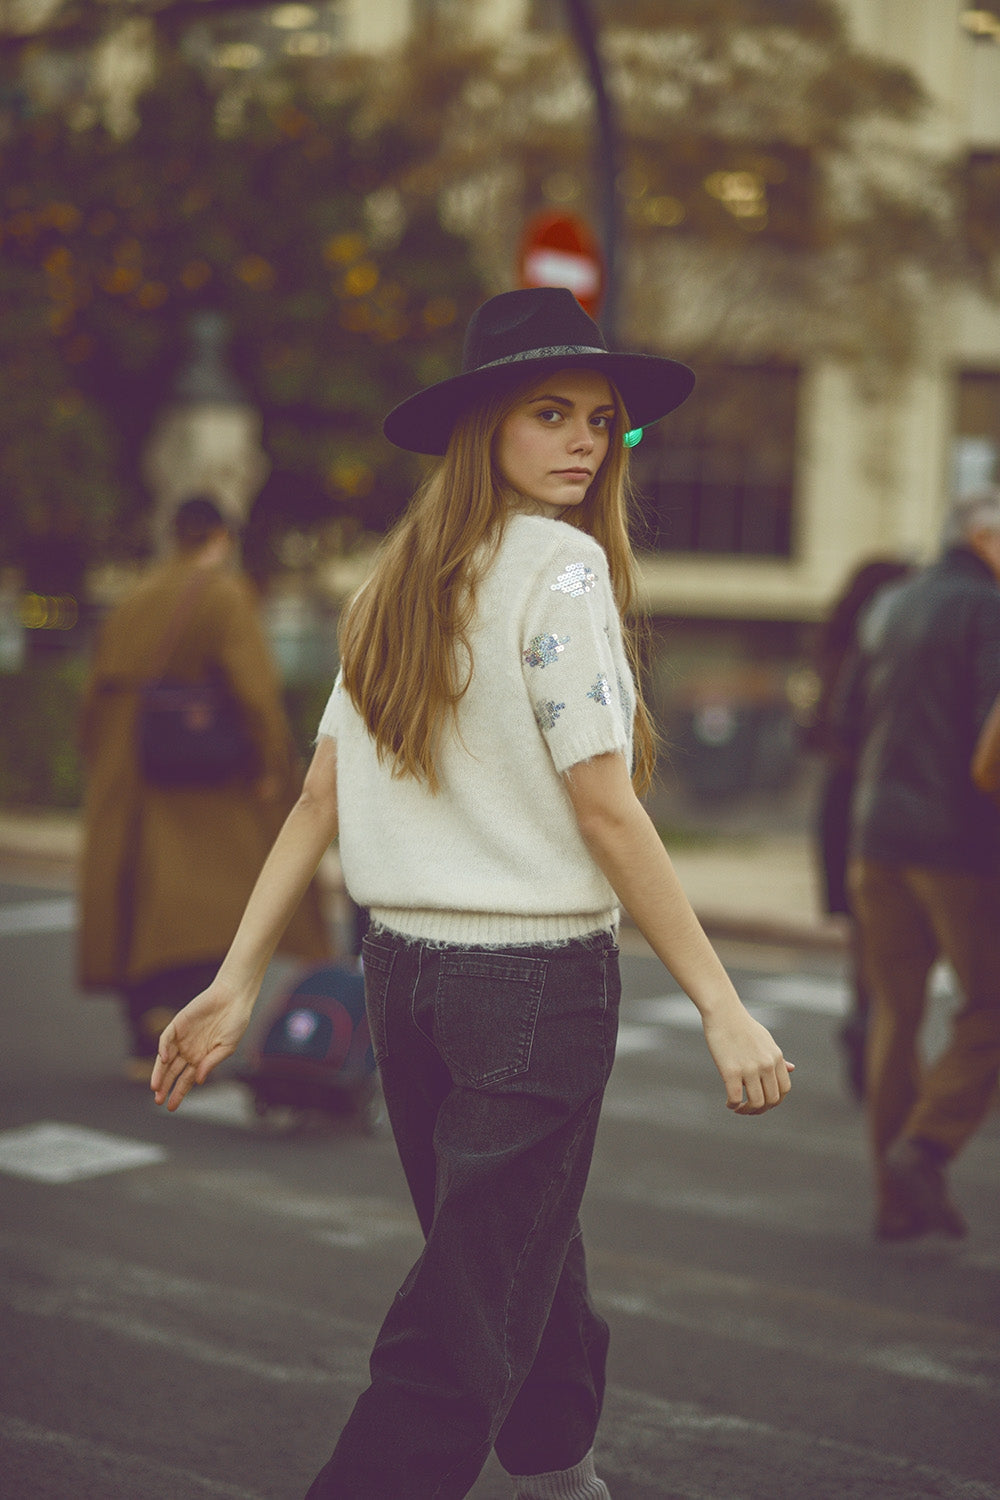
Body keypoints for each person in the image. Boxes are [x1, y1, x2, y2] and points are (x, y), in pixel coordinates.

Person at [151, 288, 793, 1500]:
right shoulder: (561, 574)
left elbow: (315, 803)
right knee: (464, 1301)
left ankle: (553, 1469)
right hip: (530, 988)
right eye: (549, 414)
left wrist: (238, 979)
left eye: (601, 422)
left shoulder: (394, 580)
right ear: (482, 427)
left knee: (512, 1256)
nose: (582, 444)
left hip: (408, 979)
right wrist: (720, 1003)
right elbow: (606, 808)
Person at [78, 495, 331, 1079]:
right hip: (198, 770)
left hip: (126, 763)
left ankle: (143, 1028)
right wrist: (272, 761)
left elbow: (92, 695)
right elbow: (253, 687)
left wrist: (101, 757)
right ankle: (179, 1021)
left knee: (137, 891)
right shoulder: (222, 593)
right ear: (220, 536)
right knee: (205, 894)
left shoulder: (134, 596)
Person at [846, 487, 1000, 1242]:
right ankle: (927, 1146)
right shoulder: (991, 609)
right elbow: (991, 748)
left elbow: (847, 722)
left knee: (895, 1016)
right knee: (990, 1007)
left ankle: (892, 1199)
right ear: (984, 537)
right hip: (961, 848)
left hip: (877, 837)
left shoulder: (892, 604)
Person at [802, 558, 912, 1100]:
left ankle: (864, 1022)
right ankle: (881, 1036)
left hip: (840, 800)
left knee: (865, 936)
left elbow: (816, 730)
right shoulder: (891, 650)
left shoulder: (833, 652)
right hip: (884, 798)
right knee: (894, 932)